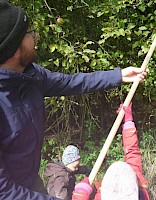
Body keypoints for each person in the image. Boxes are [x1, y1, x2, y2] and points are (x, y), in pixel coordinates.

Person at [0, 1, 147, 199]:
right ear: (14, 47)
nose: (36, 36)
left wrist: (118, 76)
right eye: (30, 32)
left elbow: (71, 82)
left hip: (31, 182)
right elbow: (4, 191)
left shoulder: (31, 76)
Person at [72, 102, 150, 200]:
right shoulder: (139, 192)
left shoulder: (99, 196)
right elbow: (132, 152)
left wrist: (80, 195)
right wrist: (128, 122)